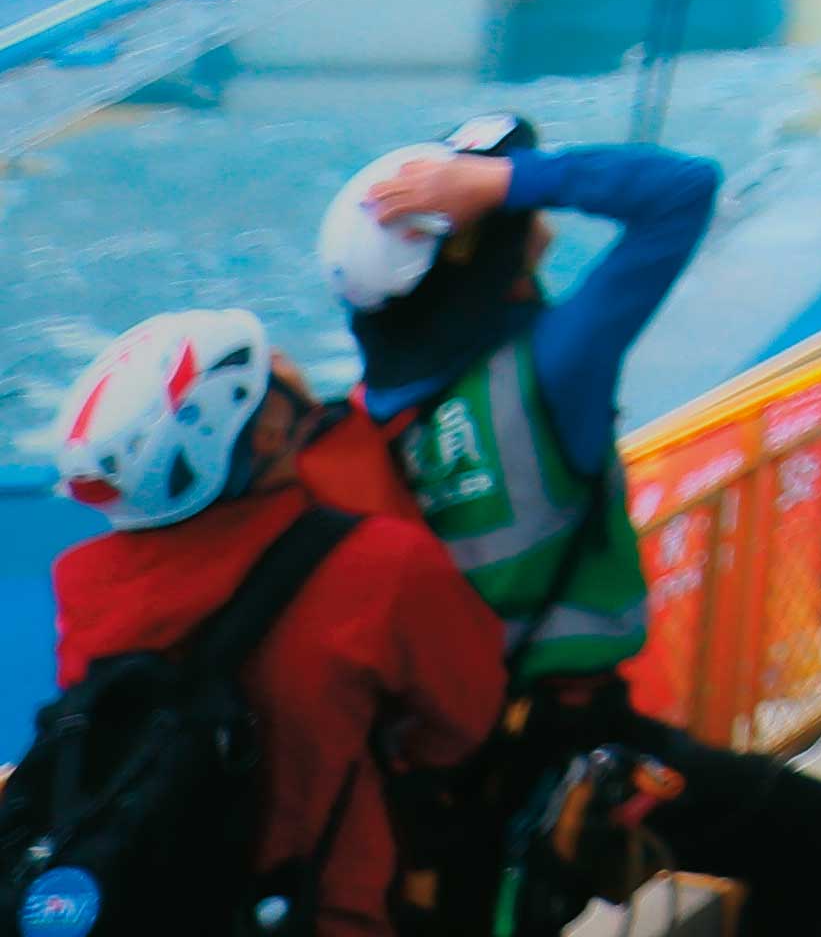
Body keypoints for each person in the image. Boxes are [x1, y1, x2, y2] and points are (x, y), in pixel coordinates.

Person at [317, 132, 821, 937]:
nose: (538, 229)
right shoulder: (551, 367)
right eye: (523, 222)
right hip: (568, 740)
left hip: (444, 765)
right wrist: (505, 180)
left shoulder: (366, 422)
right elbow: (683, 188)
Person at [31, 311, 505, 937]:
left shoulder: (82, 584)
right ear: (265, 431)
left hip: (138, 897)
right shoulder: (380, 565)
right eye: (265, 382)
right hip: (321, 913)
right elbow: (465, 722)